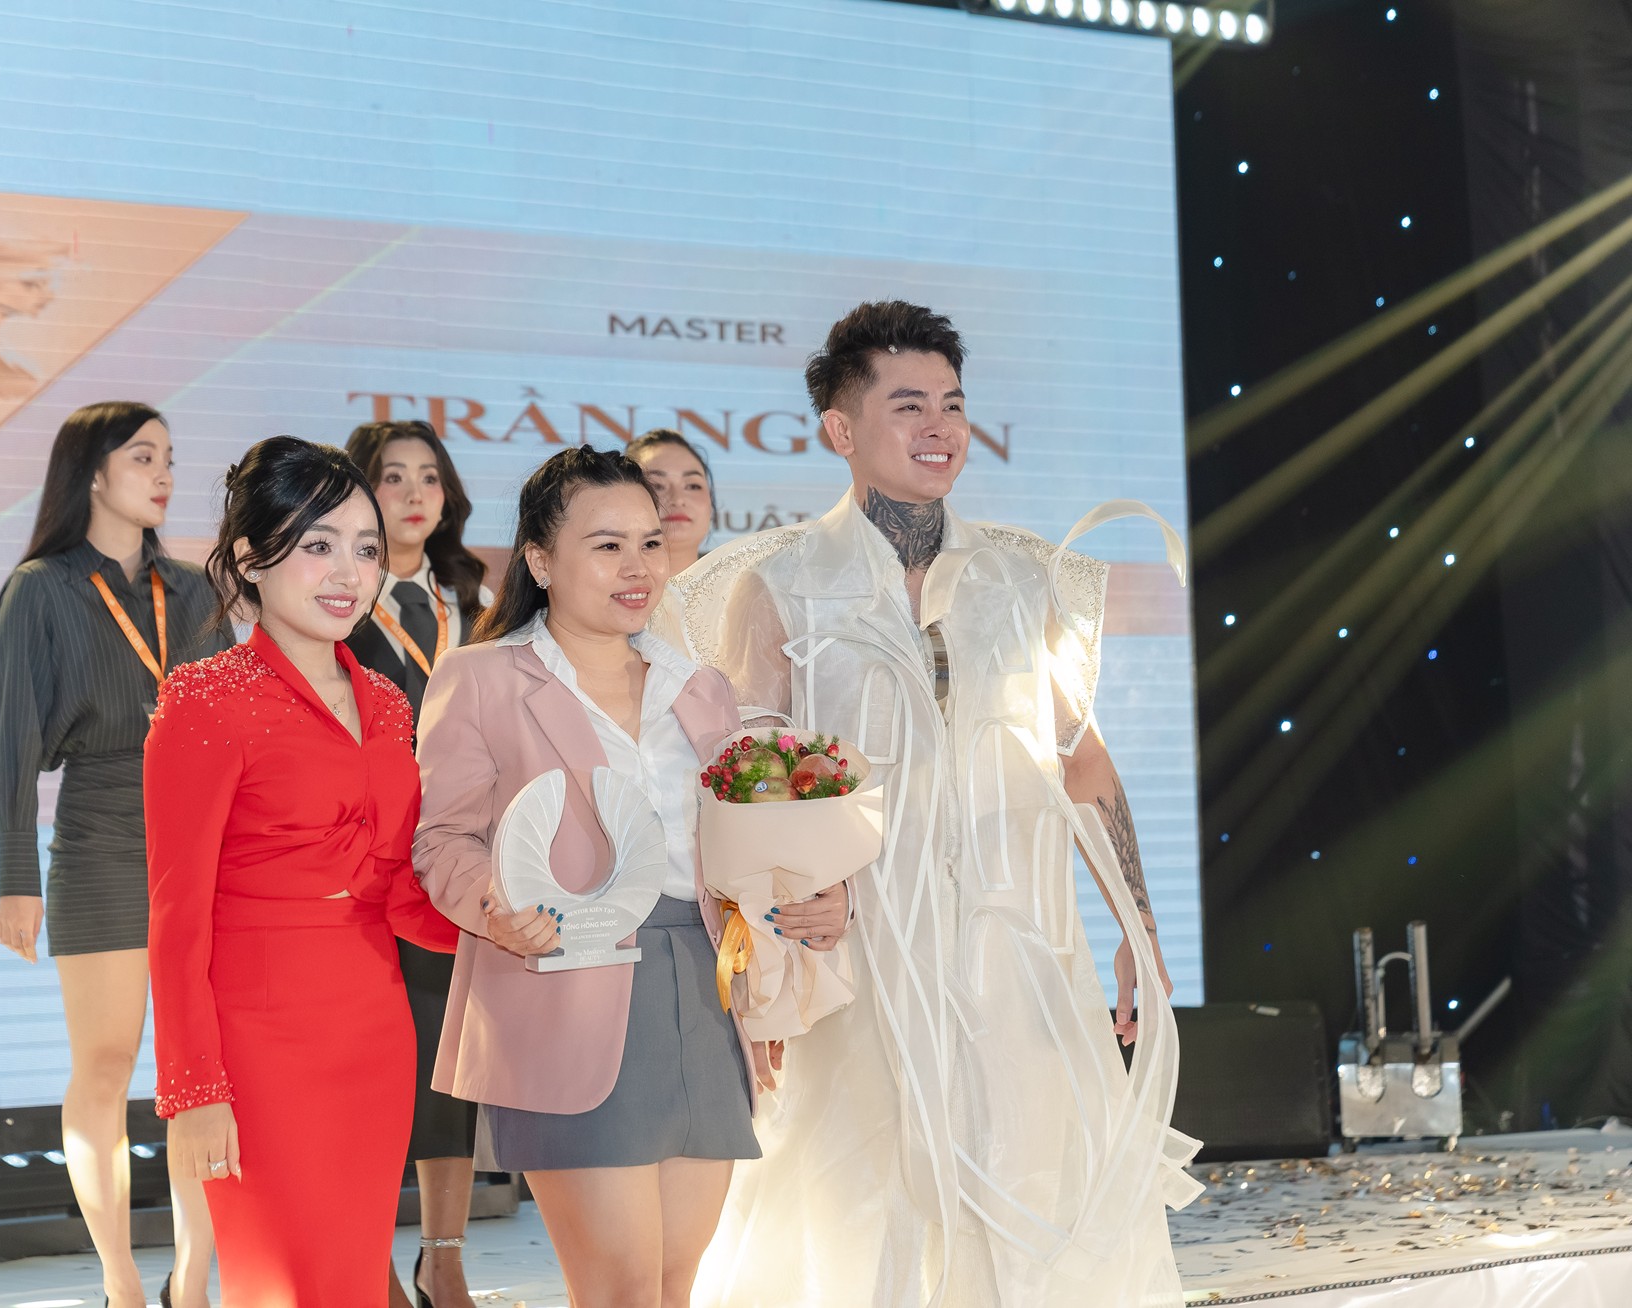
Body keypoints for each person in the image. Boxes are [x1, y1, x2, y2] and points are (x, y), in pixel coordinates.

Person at [672, 302, 1202, 1307]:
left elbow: (1079, 762)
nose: (940, 427)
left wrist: (1134, 925)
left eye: (952, 404)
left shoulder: (1020, 578)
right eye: (908, 404)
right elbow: (749, 782)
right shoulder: (783, 587)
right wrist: (778, 932)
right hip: (864, 950)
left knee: (1036, 1177)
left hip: (1019, 948)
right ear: (841, 428)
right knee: (865, 1201)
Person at [415, 446, 818, 1308]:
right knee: (621, 1289)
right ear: (539, 561)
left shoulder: (701, 688)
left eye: (650, 542)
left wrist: (787, 932)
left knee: (672, 1287)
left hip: (703, 995)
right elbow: (443, 842)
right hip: (563, 989)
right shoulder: (480, 679)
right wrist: (498, 907)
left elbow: (735, 847)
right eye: (607, 546)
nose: (638, 566)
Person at [145, 436, 459, 1307]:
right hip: (258, 1047)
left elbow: (398, 889)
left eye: (365, 548)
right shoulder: (205, 701)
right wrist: (192, 1091)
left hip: (375, 1033)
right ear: (251, 557)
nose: (348, 573)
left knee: (352, 1282)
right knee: (283, 1286)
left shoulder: (386, 702)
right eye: (318, 544)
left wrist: (498, 921)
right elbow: (176, 918)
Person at [0, 400, 226, 1308]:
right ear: (91, 473)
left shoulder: (196, 590)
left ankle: (191, 1280)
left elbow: (236, 728)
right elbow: (15, 746)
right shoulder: (40, 589)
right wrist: (17, 879)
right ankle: (121, 1279)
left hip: (203, 842)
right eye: (142, 457)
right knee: (103, 1065)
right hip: (100, 835)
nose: (164, 474)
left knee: (200, 1071)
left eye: (169, 457)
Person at [343, 419, 495, 1308]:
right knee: (367, 1066)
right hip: (358, 860)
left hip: (454, 860)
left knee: (448, 1064)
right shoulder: (333, 595)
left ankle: (444, 1260)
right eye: (392, 476)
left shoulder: (475, 600)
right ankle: (364, 1263)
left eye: (428, 477)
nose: (412, 494)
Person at [626, 428, 716, 576]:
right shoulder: (595, 589)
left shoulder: (743, 587)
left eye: (693, 486)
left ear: (711, 502)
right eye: (656, 485)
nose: (677, 499)